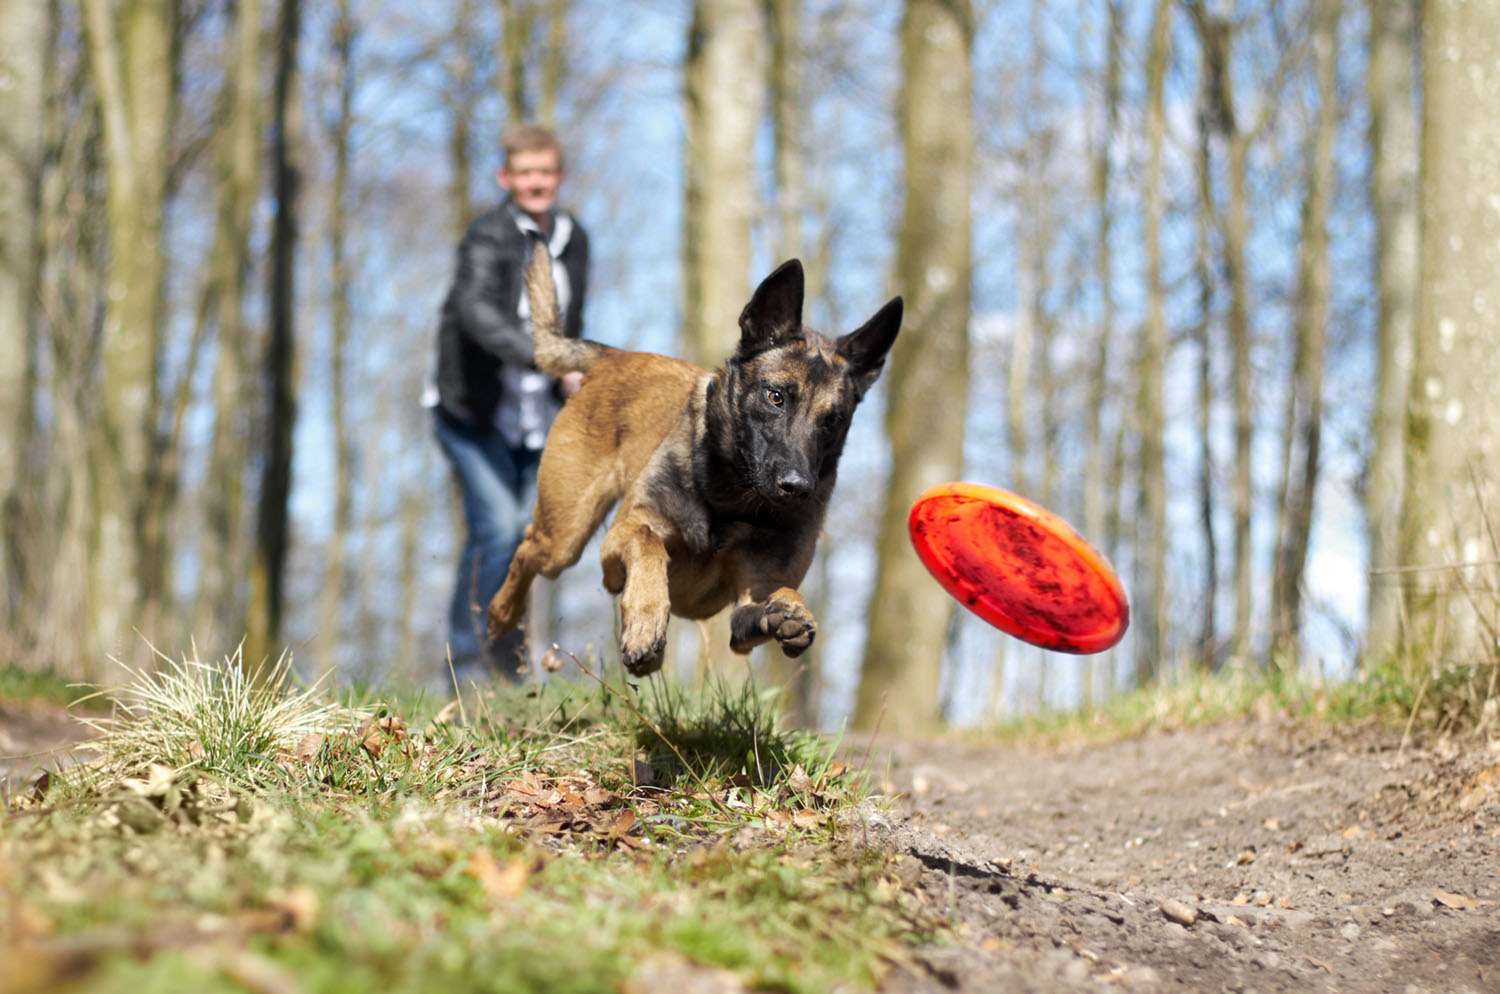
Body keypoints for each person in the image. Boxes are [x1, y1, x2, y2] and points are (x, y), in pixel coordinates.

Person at [427, 123, 590, 680]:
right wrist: (546, 357)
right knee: (496, 526)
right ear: (505, 178)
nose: (535, 182)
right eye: (524, 173)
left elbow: (572, 321)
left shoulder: (574, 238)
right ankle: (466, 662)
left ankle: (508, 659)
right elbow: (476, 315)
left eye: (544, 172)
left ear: (558, 176)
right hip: (471, 411)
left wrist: (576, 373)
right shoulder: (487, 236)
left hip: (537, 416)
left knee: (529, 535)